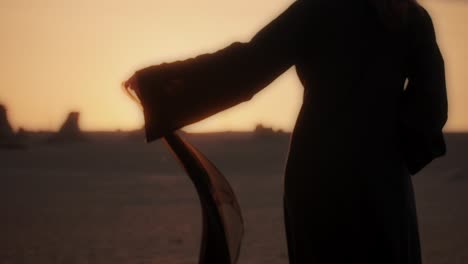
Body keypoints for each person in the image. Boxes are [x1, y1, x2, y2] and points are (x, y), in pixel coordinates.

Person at [123, 0, 448, 263]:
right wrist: (393, 150)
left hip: (316, 172)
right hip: (381, 178)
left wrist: (158, 86)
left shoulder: (318, 9)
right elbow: (430, 108)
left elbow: (248, 67)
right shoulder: (410, 17)